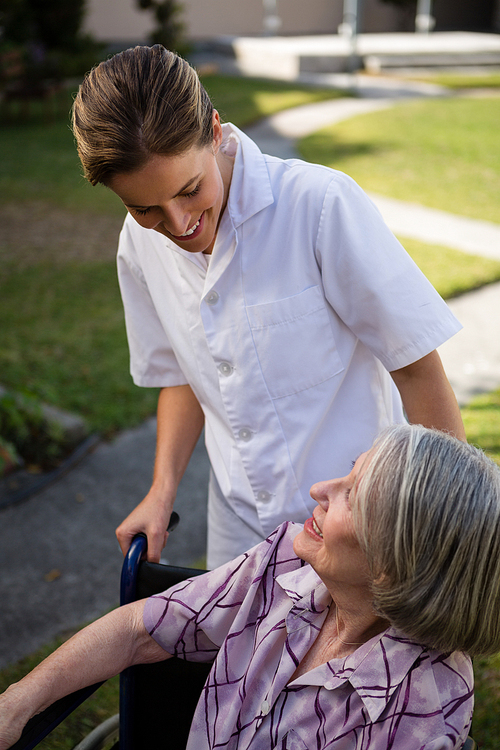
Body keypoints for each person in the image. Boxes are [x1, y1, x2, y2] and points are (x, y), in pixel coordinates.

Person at [72, 45, 466, 568]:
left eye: (190, 189)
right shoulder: (138, 244)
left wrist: (441, 525)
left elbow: (417, 369)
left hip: (362, 523)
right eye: (145, 208)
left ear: (214, 131)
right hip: (237, 528)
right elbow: (182, 375)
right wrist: (161, 491)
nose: (179, 223)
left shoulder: (319, 206)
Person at [1, 424, 499, 749]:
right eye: (348, 470)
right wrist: (19, 701)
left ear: (393, 565)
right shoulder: (284, 561)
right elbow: (141, 628)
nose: (319, 490)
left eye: (353, 496)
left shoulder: (425, 702)